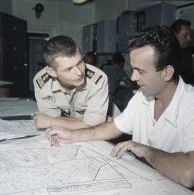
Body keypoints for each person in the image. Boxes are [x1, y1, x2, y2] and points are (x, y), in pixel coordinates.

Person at [47, 26, 194, 188]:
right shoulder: (142, 97)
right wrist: (72, 135)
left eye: (140, 71)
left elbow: (189, 174)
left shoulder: (190, 104)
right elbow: (112, 128)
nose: (133, 77)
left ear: (167, 72)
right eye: (132, 69)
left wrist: (145, 150)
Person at [33, 35, 109, 130]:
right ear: (52, 72)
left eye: (80, 62)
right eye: (69, 69)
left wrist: (51, 121)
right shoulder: (42, 83)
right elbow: (53, 124)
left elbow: (95, 126)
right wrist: (84, 121)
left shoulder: (98, 79)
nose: (79, 72)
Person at [170, 19, 194, 84]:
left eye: (189, 35)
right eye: (185, 35)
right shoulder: (166, 55)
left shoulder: (187, 52)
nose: (189, 39)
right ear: (174, 35)